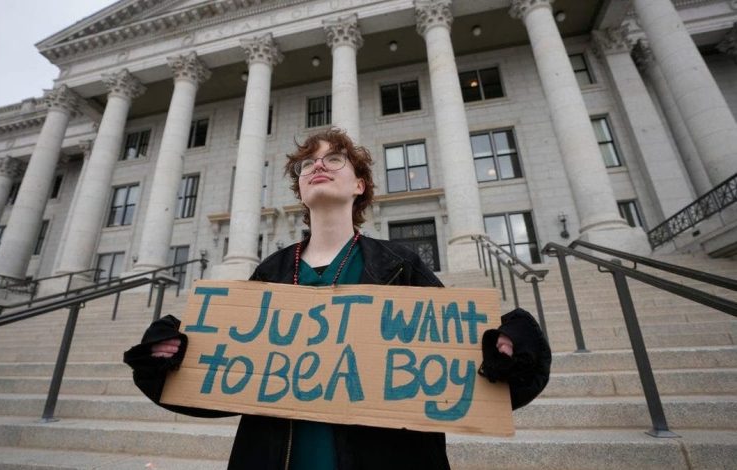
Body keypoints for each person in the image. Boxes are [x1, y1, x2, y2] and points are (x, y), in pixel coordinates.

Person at [124, 128, 551, 469]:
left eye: (333, 159)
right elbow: (230, 383)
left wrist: (506, 349)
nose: (317, 167)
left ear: (359, 184)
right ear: (300, 189)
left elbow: (460, 368)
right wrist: (173, 360)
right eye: (307, 164)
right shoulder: (269, 271)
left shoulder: (400, 264)